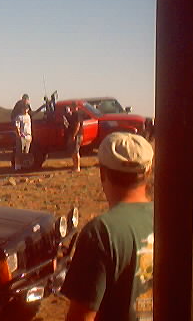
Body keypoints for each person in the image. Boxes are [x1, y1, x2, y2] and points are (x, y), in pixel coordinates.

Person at [62, 132, 154, 321]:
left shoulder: (101, 232)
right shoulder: (168, 219)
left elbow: (81, 317)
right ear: (148, 172)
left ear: (102, 173)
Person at [13, 104, 32, 170]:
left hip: (28, 136)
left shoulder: (29, 117)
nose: (25, 110)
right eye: (24, 108)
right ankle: (17, 167)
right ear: (21, 109)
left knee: (26, 153)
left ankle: (25, 166)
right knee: (19, 152)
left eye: (26, 108)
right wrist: (19, 135)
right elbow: (16, 126)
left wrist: (30, 135)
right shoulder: (19, 117)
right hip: (21, 136)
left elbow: (29, 126)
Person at [65, 104, 83, 172]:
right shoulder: (73, 114)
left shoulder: (77, 114)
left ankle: (77, 167)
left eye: (72, 107)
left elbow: (77, 125)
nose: (71, 108)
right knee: (73, 151)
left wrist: (73, 135)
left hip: (77, 135)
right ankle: (74, 166)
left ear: (76, 107)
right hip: (74, 134)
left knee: (76, 151)